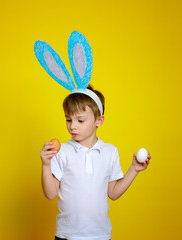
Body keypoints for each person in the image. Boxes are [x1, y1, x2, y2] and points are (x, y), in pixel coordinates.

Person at [40, 85, 151, 240]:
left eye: (80, 120)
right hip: (67, 235)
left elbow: (113, 193)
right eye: (68, 119)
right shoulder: (62, 152)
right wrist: (46, 165)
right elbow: (50, 194)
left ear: (99, 120)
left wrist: (134, 169)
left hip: (100, 235)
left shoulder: (110, 151)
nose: (72, 126)